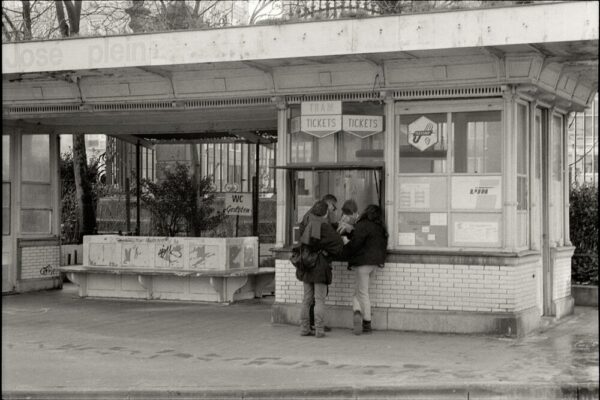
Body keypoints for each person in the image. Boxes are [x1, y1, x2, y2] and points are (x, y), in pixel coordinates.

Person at [297, 200, 343, 338]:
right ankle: (319, 329)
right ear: (325, 212)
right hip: (320, 266)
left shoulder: (306, 222)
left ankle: (304, 328)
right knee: (319, 300)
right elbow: (338, 243)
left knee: (307, 300)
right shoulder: (324, 226)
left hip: (306, 264)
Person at [341, 204, 388, 335]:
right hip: (375, 264)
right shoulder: (380, 227)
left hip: (362, 263)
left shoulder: (363, 224)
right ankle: (357, 312)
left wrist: (345, 242)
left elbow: (355, 243)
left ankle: (366, 322)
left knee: (362, 293)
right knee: (360, 291)